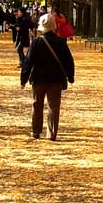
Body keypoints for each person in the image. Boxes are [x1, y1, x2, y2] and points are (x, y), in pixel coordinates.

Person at [22, 13, 76, 141]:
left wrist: (23, 79)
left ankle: (36, 131)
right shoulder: (60, 42)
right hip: (56, 79)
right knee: (54, 106)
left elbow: (28, 62)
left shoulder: (36, 42)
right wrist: (70, 76)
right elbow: (68, 61)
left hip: (38, 79)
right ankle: (52, 133)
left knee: (37, 104)